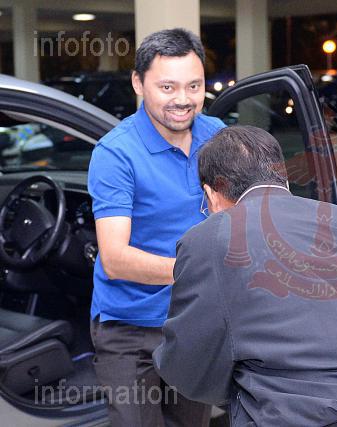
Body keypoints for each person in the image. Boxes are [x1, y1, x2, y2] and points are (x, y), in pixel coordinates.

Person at [153, 125, 337, 426]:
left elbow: (190, 364)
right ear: (281, 176)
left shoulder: (210, 237)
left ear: (211, 193)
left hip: (318, 415)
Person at [87, 28, 225, 426]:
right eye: (167, 87)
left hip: (194, 321)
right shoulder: (116, 153)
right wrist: (202, 272)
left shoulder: (217, 135)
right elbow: (115, 260)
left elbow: (244, 213)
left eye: (194, 86)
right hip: (128, 330)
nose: (183, 99)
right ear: (138, 83)